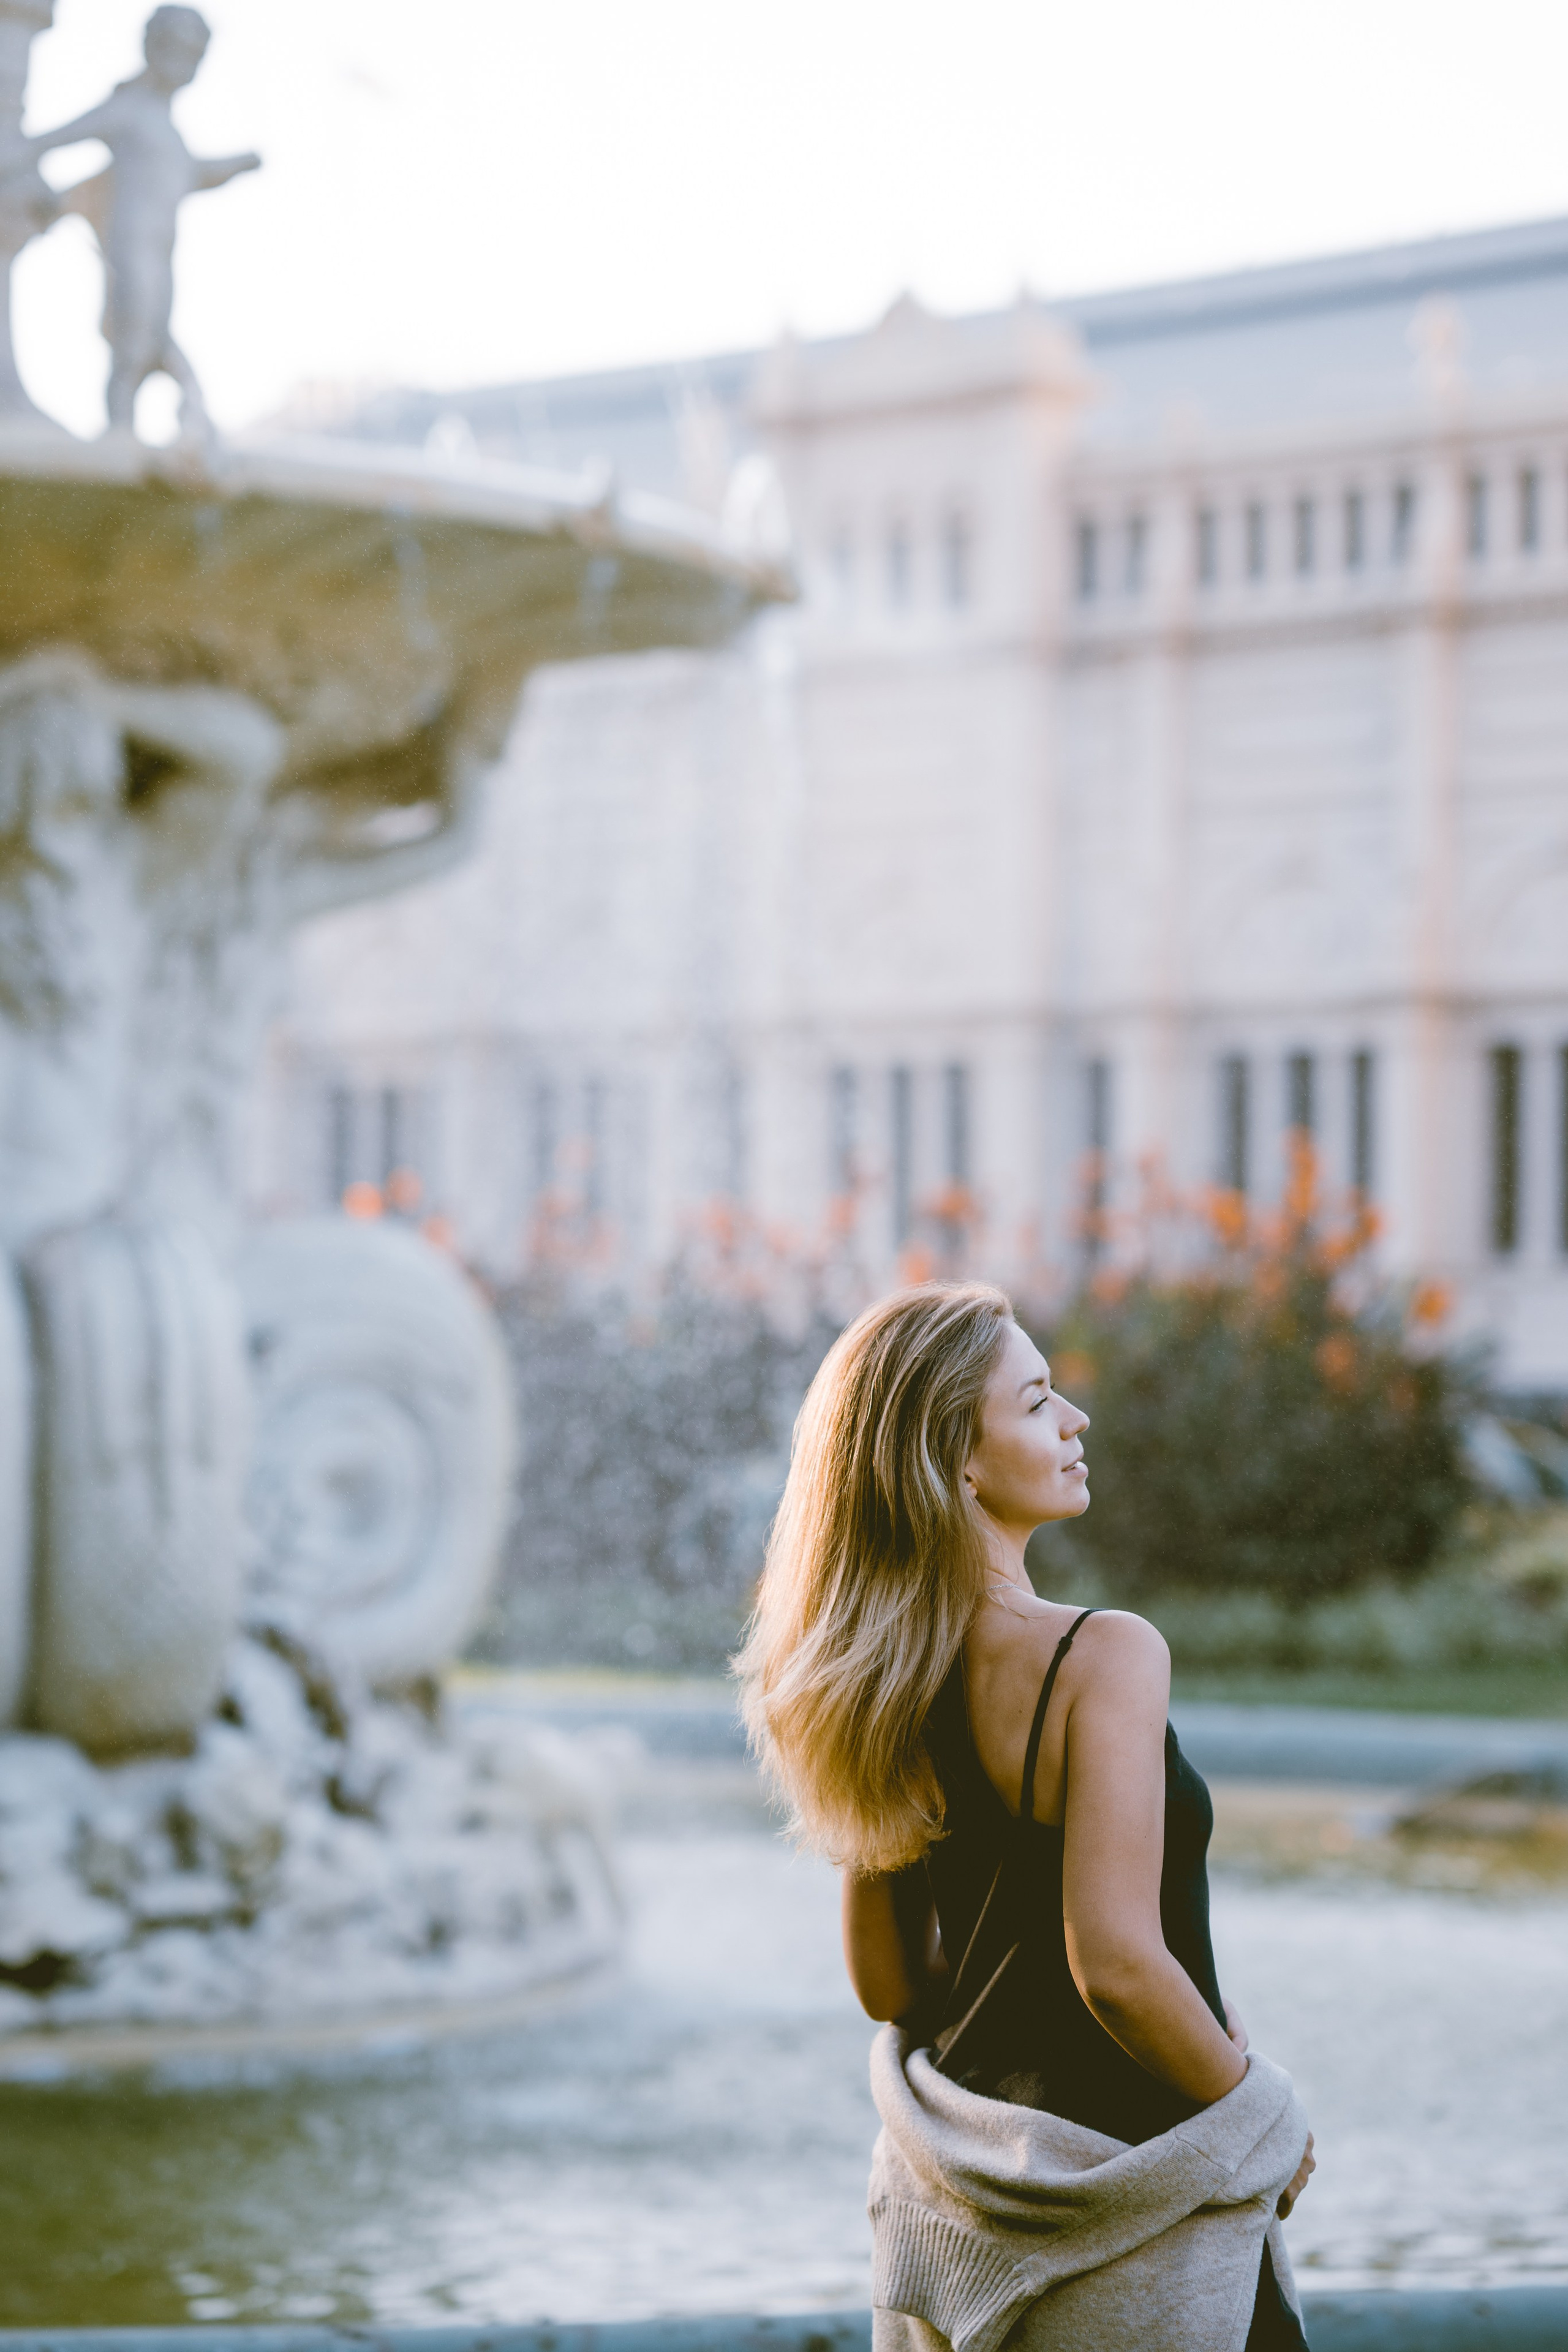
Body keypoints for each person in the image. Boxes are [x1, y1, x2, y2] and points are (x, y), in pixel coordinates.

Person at [737, 1281, 1314, 2351]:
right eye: (1039, 1400)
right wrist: (1259, 2112)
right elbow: (1118, 1966)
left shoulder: (881, 1683)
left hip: (961, 2219)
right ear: (957, 1459)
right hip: (1133, 2207)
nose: (1076, 1420)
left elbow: (890, 1985)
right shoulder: (1107, 1654)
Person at [29, 6, 259, 438]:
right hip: (130, 247)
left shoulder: (167, 127)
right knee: (133, 345)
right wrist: (32, 178)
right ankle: (123, 432)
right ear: (154, 48)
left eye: (195, 55)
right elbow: (52, 140)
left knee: (156, 337)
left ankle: (183, 422)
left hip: (162, 252)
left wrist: (238, 164)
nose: (187, 64)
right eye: (179, 50)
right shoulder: (129, 109)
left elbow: (191, 174)